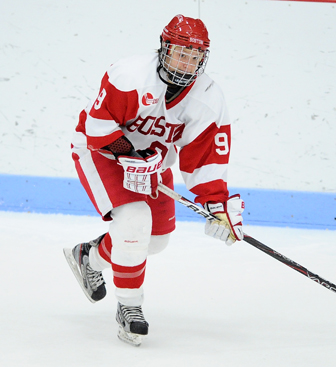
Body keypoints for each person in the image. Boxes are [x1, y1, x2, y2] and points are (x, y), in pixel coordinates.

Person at [64, 14, 245, 346]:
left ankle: (87, 257)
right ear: (164, 47)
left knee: (155, 241)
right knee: (133, 223)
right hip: (101, 151)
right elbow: (98, 127)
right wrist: (130, 155)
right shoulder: (130, 75)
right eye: (181, 52)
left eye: (195, 56)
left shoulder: (207, 97)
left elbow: (205, 158)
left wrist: (216, 204)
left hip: (151, 162)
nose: (187, 62)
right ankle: (129, 309)